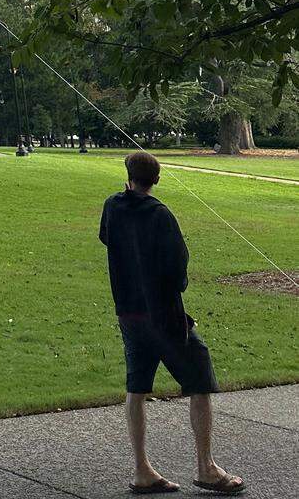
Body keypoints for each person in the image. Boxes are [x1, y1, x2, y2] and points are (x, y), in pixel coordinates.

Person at [100, 151, 243, 496]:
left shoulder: (113, 206)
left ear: (128, 176)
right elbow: (179, 272)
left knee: (137, 386)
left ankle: (141, 470)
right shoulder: (161, 215)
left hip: (129, 314)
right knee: (199, 375)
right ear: (157, 180)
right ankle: (206, 467)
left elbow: (107, 237)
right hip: (163, 315)